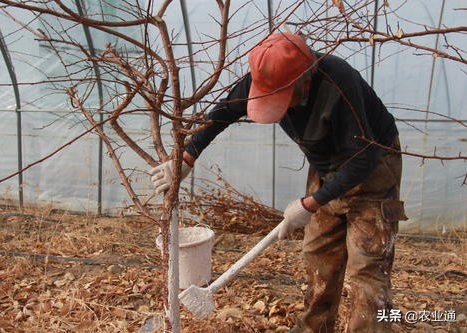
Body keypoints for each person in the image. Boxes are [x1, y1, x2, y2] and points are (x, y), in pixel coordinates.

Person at [149, 32, 407, 333]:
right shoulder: (268, 77)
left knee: (366, 268)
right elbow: (223, 113)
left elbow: (360, 160)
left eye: (282, 99)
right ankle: (314, 329)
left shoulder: (339, 85)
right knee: (318, 254)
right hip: (325, 167)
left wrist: (309, 204)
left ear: (305, 81)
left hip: (373, 165)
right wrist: (186, 158)